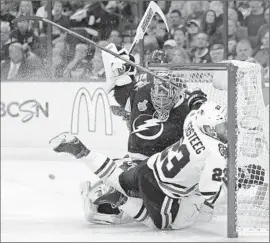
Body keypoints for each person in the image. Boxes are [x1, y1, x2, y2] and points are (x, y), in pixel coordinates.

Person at [50, 97, 265, 230]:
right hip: (161, 189)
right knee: (165, 225)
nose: (225, 130)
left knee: (116, 177)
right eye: (221, 126)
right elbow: (211, 194)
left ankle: (81, 150)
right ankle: (121, 200)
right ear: (209, 128)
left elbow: (197, 106)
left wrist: (199, 100)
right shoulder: (216, 153)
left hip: (150, 166)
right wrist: (232, 182)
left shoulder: (192, 122)